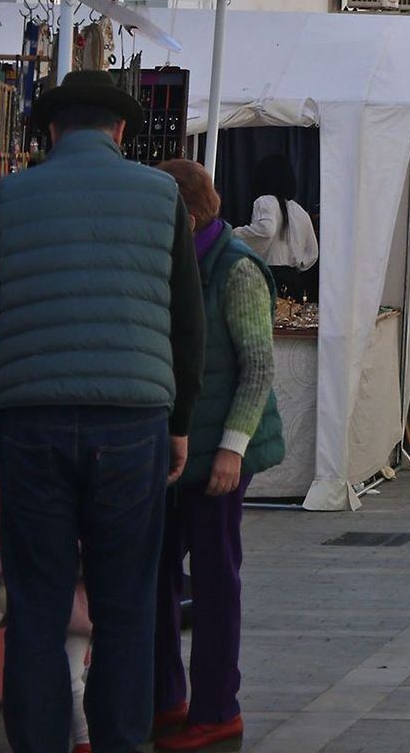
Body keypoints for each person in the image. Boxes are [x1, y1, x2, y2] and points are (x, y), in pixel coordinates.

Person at [0, 68, 205, 753]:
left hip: (32, 424)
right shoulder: (162, 197)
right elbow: (188, 324)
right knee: (125, 609)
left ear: (54, 131)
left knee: (37, 608)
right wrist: (180, 424)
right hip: (133, 420)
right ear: (119, 131)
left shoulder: (11, 196)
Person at [153, 159, 285, 751]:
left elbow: (257, 366)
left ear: (186, 215)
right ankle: (165, 696)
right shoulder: (179, 263)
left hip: (218, 454)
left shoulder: (235, 269)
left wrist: (232, 449)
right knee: (158, 572)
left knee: (213, 580)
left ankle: (216, 708)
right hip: (176, 450)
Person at [232, 153, 318, 295]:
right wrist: (296, 265)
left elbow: (265, 230)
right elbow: (312, 252)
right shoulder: (299, 211)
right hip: (293, 280)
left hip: (269, 277)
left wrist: (234, 234)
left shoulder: (265, 201)